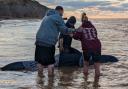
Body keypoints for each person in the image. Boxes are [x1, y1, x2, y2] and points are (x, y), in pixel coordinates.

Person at [35, 6, 75, 78]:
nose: (62, 15)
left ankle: (40, 81)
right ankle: (51, 82)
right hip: (48, 43)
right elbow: (64, 30)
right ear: (60, 11)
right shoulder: (57, 16)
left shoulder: (46, 16)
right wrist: (74, 30)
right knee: (51, 63)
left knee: (40, 62)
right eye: (62, 13)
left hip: (38, 40)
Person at [72, 13, 102, 87]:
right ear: (88, 20)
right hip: (97, 46)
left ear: (82, 21)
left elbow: (76, 36)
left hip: (87, 48)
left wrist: (72, 35)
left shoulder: (81, 27)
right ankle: (96, 84)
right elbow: (95, 35)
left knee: (86, 64)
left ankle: (85, 82)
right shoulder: (93, 27)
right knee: (97, 66)